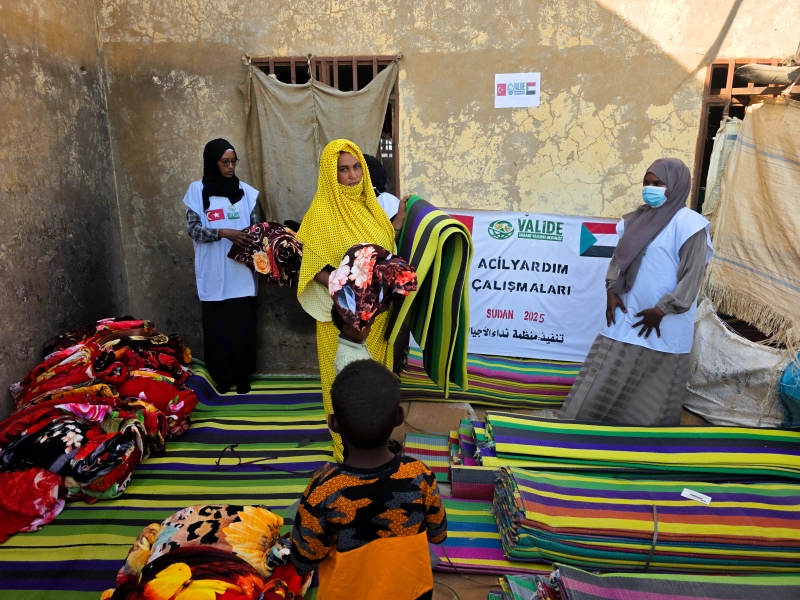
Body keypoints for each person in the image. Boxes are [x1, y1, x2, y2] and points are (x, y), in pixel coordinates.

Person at [558, 158, 713, 426]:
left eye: (658, 184)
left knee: (653, 384)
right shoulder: (634, 220)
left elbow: (692, 276)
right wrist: (611, 290)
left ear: (676, 186)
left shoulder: (690, 225)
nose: (650, 189)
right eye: (646, 183)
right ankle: (584, 431)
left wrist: (662, 310)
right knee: (607, 368)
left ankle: (639, 439)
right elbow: (618, 260)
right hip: (627, 307)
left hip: (665, 318)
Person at [290, 360, 447, 600]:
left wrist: (317, 488)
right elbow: (438, 534)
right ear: (399, 416)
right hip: (414, 593)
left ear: (333, 424)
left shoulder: (323, 491)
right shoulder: (420, 475)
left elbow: (303, 560)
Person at [296, 139, 409, 461]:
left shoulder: (370, 207)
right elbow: (311, 265)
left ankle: (377, 440)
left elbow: (381, 248)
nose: (353, 175)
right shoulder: (320, 215)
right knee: (345, 382)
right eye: (343, 169)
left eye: (357, 167)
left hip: (376, 316)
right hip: (341, 318)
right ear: (331, 175)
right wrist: (348, 291)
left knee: (376, 379)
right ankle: (347, 450)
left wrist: (398, 223)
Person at [184, 138, 259, 395]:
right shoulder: (197, 191)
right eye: (225, 162)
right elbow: (194, 230)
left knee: (242, 325)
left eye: (233, 161)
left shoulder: (247, 193)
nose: (230, 166)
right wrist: (223, 233)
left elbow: (256, 230)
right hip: (214, 271)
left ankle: (242, 375)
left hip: (241, 271)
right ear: (212, 162)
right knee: (218, 327)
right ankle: (222, 376)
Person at [331, 306, 373, 375]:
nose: (370, 330)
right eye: (367, 327)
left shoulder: (358, 342)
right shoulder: (346, 360)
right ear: (347, 329)